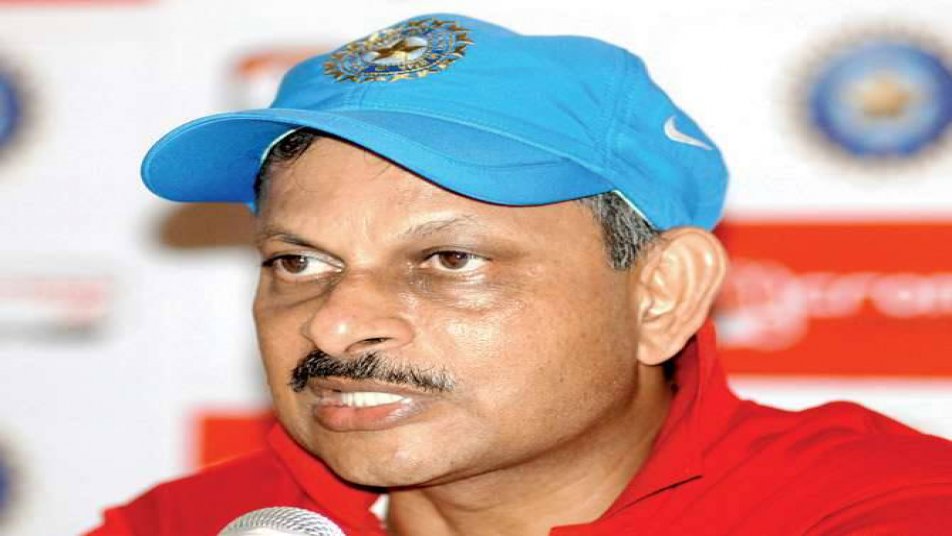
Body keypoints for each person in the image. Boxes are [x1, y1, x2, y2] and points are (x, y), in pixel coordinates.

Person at [88, 13, 952, 535]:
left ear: (662, 294)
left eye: (448, 260)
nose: (333, 323)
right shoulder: (187, 523)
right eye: (298, 261)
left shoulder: (879, 509)